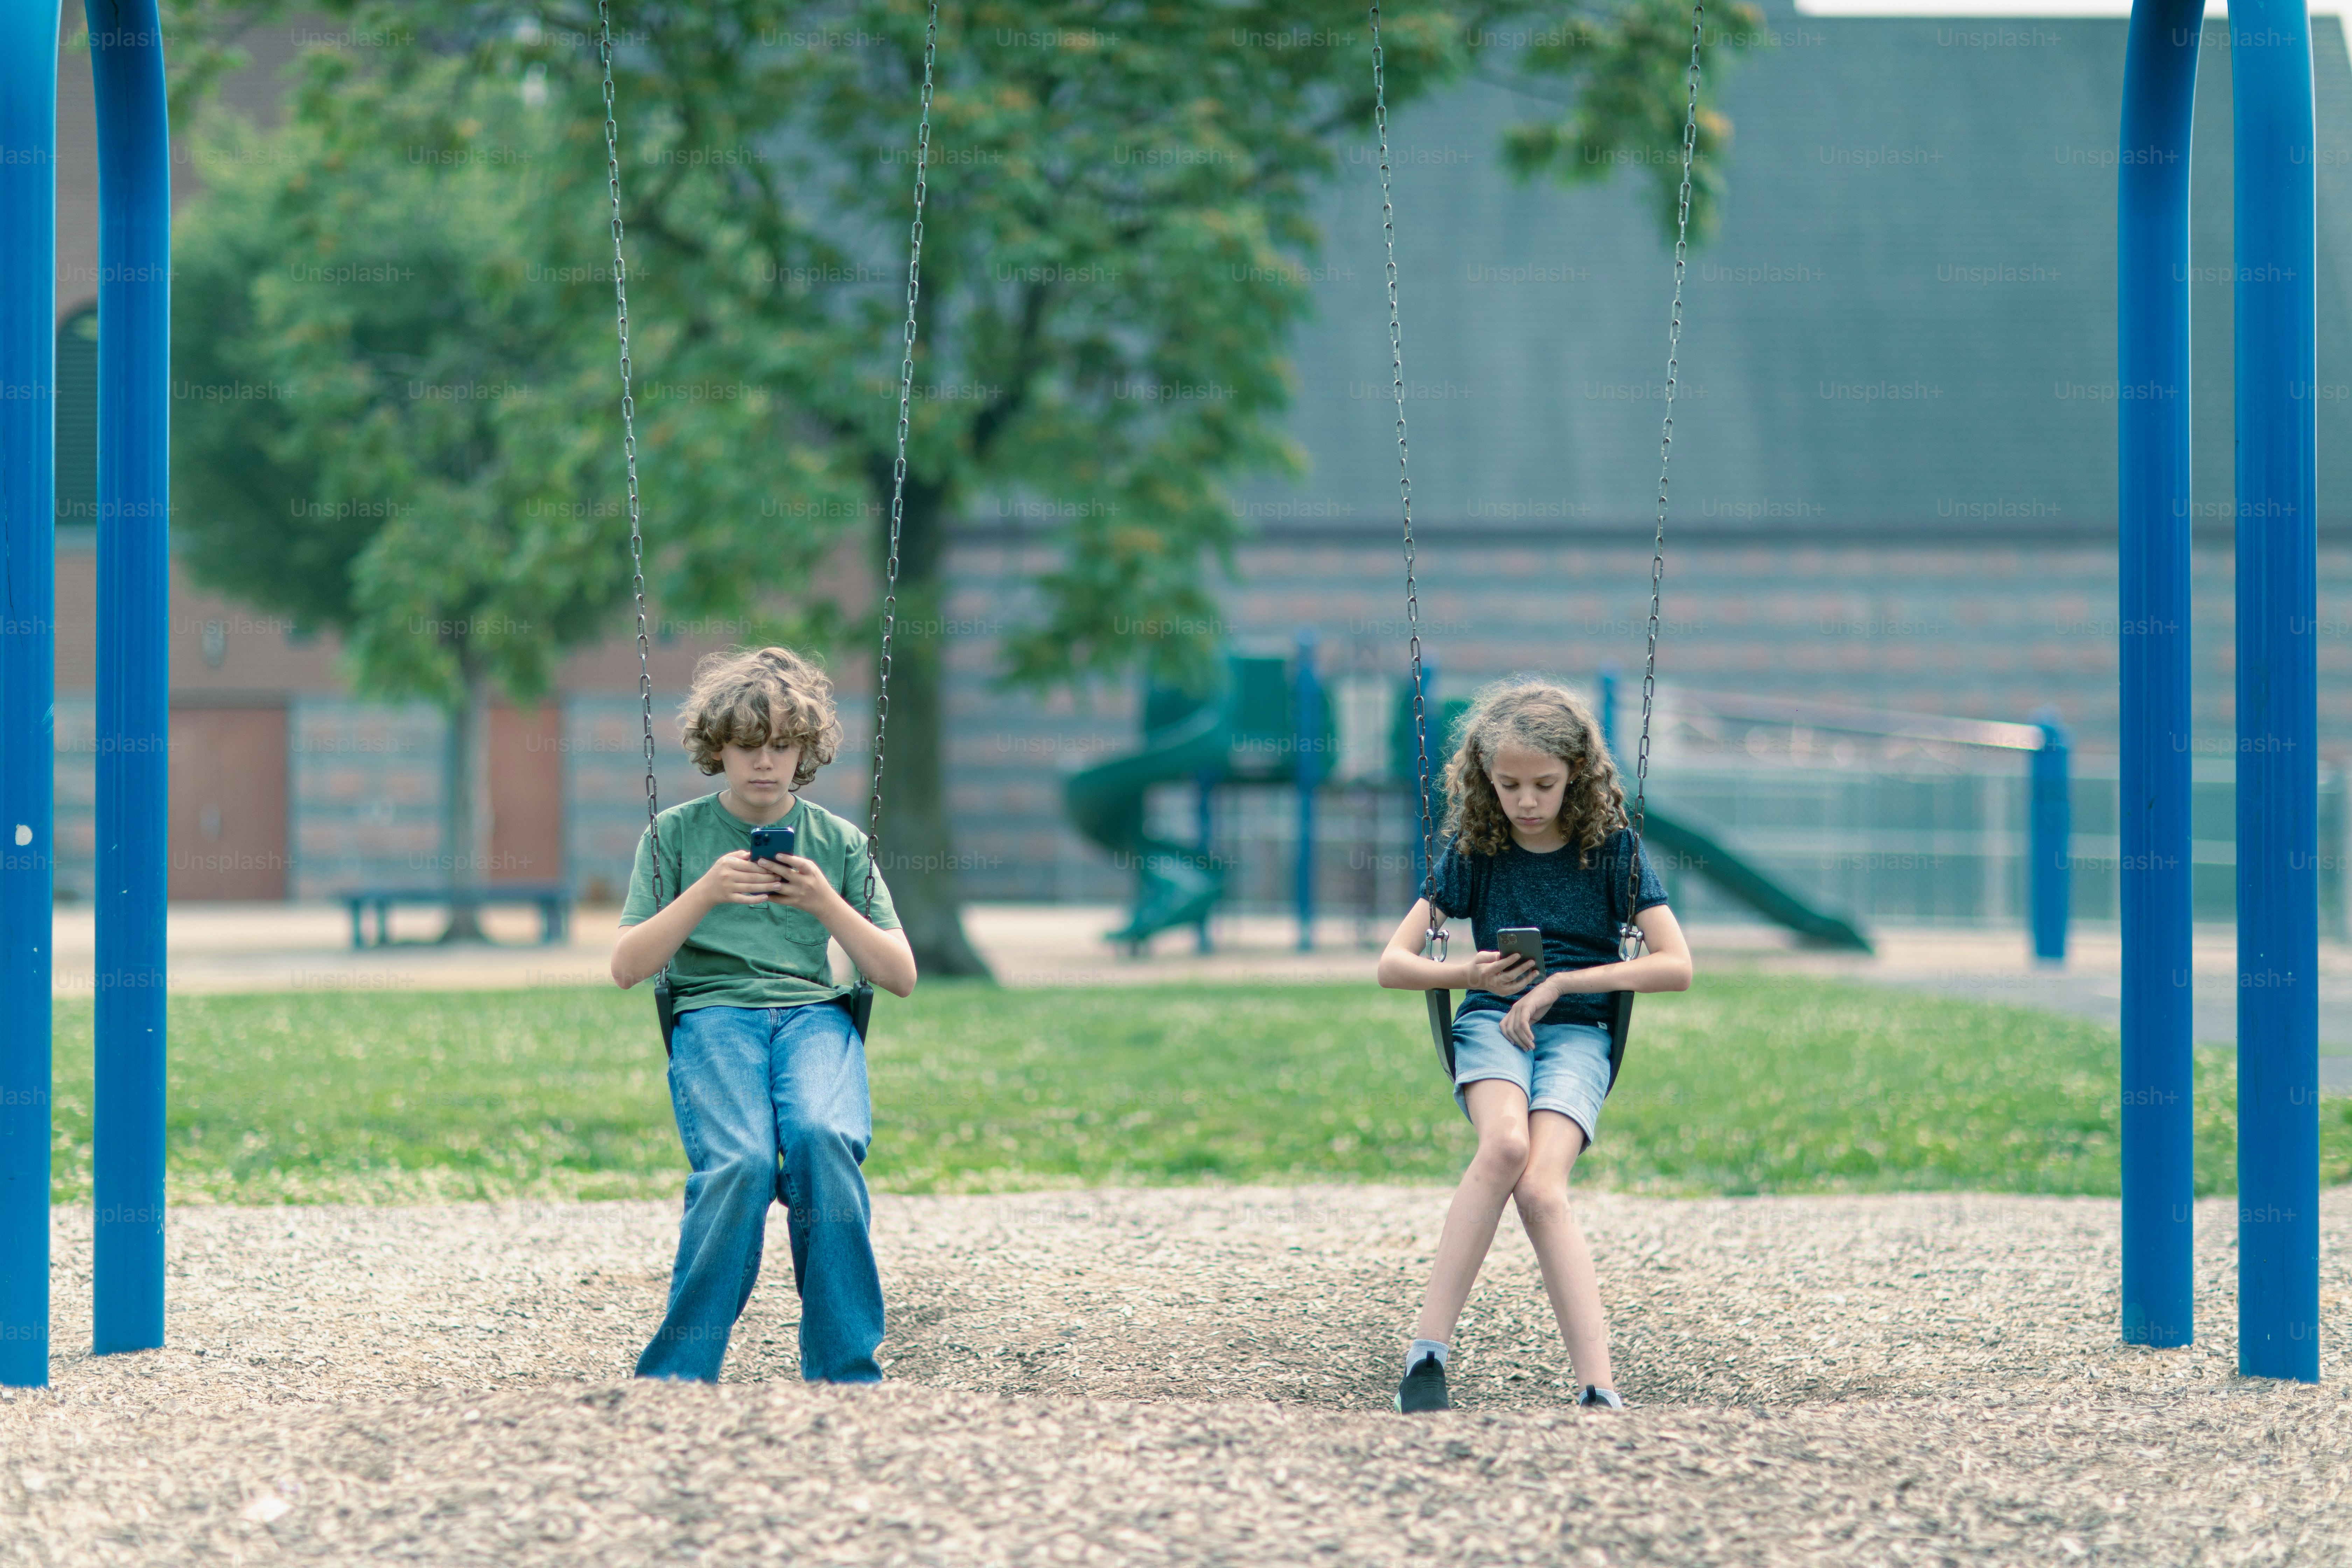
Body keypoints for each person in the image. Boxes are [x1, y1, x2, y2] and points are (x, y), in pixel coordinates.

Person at [1376, 678, 1692, 1413]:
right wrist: (1466, 970)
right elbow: (1393, 962)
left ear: (1575, 776)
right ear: (1486, 778)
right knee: (1505, 1148)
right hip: (1491, 1022)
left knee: (1544, 1187)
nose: (1526, 800)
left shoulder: (1611, 852)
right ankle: (1426, 1358)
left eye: (1544, 784)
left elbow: (1675, 964)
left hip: (1580, 1031)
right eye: (1509, 783)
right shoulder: (1475, 851)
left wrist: (1563, 982)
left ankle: (1597, 1385)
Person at [610, 645, 917, 1384]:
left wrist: (824, 902)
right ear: (718, 746)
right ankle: (679, 1376)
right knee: (742, 1163)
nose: (765, 762)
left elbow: (899, 974)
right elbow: (627, 966)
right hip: (716, 1016)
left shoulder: (838, 843)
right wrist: (706, 893)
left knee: (821, 1136)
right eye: (749, 743)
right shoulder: (674, 839)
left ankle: (845, 1371)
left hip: (814, 1017)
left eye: (783, 744)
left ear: (806, 750)